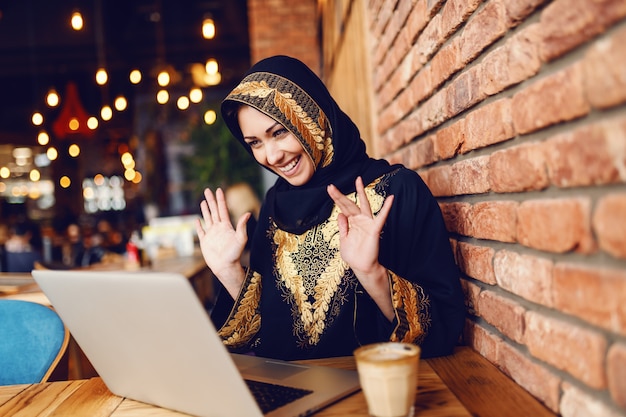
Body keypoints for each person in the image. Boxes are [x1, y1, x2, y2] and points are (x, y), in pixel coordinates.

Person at [195, 55, 465, 361]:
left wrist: (372, 273)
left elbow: (444, 329)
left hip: (373, 391)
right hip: (291, 395)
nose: (271, 156)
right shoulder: (275, 205)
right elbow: (268, 332)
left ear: (313, 117)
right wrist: (229, 271)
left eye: (279, 132)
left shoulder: (397, 192)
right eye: (255, 142)